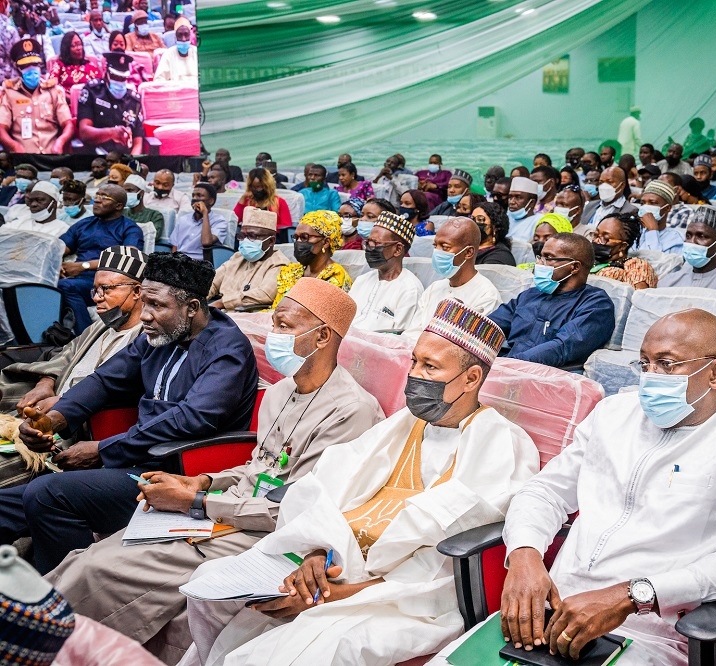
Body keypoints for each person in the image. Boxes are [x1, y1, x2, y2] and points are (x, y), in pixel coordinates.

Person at [181, 298, 539, 666]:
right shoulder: (403, 424)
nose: (414, 375)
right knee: (209, 587)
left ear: (471, 378)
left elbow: (444, 567)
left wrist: (341, 594)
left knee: (292, 653)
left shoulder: (500, 444)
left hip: (400, 597)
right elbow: (328, 487)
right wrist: (316, 556)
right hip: (337, 563)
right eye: (414, 361)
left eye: (430, 367)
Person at [435, 308, 716, 665]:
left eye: (666, 364)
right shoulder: (615, 414)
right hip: (550, 616)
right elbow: (545, 491)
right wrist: (525, 555)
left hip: (648, 633)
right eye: (644, 364)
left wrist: (631, 596)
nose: (650, 376)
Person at [46, 277, 383, 664]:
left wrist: (199, 501)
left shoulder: (351, 410)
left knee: (102, 571)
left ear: (322, 336)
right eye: (274, 323)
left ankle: (50, 646)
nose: (274, 334)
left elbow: (299, 510)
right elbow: (261, 467)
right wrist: (202, 480)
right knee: (90, 556)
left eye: (285, 327)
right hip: (231, 511)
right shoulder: (280, 392)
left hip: (272, 535)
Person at [3, 252, 259, 574]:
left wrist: (103, 450)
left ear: (192, 308)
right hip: (132, 459)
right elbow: (106, 379)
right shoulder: (161, 335)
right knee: (6, 503)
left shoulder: (226, 350)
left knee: (46, 494)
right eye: (145, 303)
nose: (146, 316)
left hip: (172, 474)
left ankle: (62, 598)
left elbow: (191, 417)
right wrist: (55, 420)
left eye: (157, 305)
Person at [0, 246, 144, 415]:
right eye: (96, 290)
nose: (97, 298)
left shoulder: (144, 339)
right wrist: (45, 382)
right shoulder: (100, 327)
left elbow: (115, 388)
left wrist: (65, 404)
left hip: (77, 423)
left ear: (137, 291)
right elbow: (66, 354)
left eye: (106, 289)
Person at [489, 232, 614, 367]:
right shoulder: (530, 295)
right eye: (540, 257)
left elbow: (560, 348)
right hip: (506, 368)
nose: (539, 264)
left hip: (548, 378)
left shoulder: (597, 305)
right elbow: (490, 326)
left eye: (548, 258)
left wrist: (507, 364)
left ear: (574, 267)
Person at [58, 184, 143, 335]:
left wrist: (83, 266)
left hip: (110, 283)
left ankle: (84, 336)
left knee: (66, 286)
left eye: (104, 197)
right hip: (78, 279)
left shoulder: (130, 228)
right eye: (97, 196)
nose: (97, 201)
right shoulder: (85, 224)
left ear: (118, 206)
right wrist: (57, 265)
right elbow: (59, 248)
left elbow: (128, 257)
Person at [403, 217, 502, 339]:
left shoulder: (486, 296)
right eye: (435, 246)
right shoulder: (434, 288)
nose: (436, 252)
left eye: (445, 247)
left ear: (468, 252)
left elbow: (463, 346)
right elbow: (412, 333)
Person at [349, 211, 424, 333]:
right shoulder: (362, 280)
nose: (369, 248)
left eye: (376, 243)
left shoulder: (409, 290)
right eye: (368, 242)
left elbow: (398, 339)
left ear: (398, 249)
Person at [0, 39, 74, 155]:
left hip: (51, 155)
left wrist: (60, 142)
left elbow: (68, 124)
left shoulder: (53, 91)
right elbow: (1, 129)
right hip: (24, 158)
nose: (31, 69)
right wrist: (14, 146)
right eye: (26, 66)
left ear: (40, 65)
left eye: (34, 64)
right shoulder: (9, 93)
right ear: (18, 69)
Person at [207, 208, 288, 312]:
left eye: (252, 236)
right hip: (220, 315)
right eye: (243, 236)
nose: (245, 241)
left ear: (271, 241)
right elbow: (211, 282)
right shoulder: (238, 258)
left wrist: (222, 303)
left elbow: (265, 294)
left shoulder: (279, 264)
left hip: (249, 320)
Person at [272, 210, 351, 308]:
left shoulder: (336, 277)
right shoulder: (293, 271)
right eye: (296, 237)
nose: (298, 242)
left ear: (326, 242)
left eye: (305, 237)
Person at [76, 52, 144, 155]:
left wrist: (132, 163)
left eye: (123, 78)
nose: (119, 82)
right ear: (106, 73)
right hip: (98, 156)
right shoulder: (92, 92)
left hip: (126, 158)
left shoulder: (134, 100)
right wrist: (111, 133)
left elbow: (138, 143)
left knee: (142, 169)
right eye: (115, 77)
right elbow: (84, 133)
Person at [591, 212, 657, 289]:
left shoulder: (635, 265)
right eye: (596, 235)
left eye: (605, 238)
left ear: (622, 246)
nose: (596, 241)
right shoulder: (589, 261)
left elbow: (639, 297)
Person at [170, 183, 227, 261]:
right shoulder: (183, 219)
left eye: (199, 195)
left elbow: (206, 242)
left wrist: (205, 214)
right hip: (179, 261)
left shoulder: (219, 221)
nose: (195, 198)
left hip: (200, 264)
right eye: (193, 195)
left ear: (211, 201)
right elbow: (175, 246)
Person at [3, 182, 68, 237]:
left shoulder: (63, 229)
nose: (33, 204)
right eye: (31, 200)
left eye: (39, 200)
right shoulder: (19, 223)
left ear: (54, 203)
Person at [636, 180, 683, 253]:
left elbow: (655, 262)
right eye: (643, 203)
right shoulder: (634, 231)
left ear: (668, 208)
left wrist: (652, 231)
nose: (646, 207)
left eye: (653, 203)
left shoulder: (675, 238)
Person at [153, 16, 196, 81]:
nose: (183, 39)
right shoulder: (168, 54)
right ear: (175, 38)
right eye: (180, 35)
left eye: (186, 35)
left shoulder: (196, 52)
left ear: (190, 36)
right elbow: (159, 80)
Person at [473, 201, 515, 266]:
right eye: (472, 218)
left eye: (480, 219)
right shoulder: (466, 246)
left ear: (495, 226)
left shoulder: (500, 256)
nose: (474, 223)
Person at [123, 174, 164, 239]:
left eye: (130, 190)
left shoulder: (155, 215)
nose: (126, 194)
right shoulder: (121, 212)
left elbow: (154, 236)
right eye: (124, 191)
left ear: (141, 193)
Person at [506, 176, 542, 243]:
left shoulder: (539, 221)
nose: (512, 202)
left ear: (532, 203)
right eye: (510, 197)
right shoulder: (506, 218)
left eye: (518, 197)